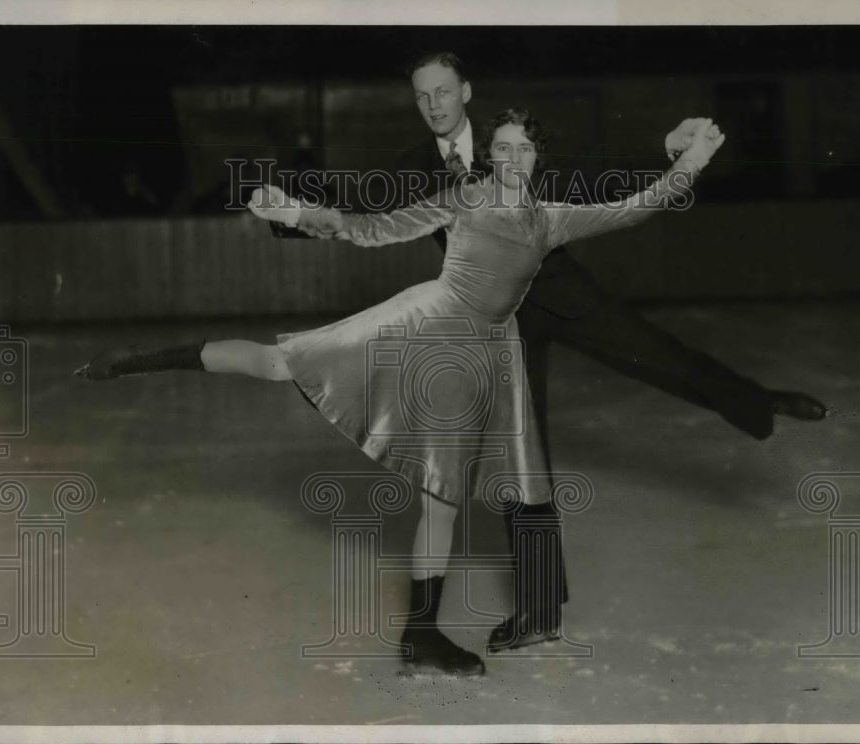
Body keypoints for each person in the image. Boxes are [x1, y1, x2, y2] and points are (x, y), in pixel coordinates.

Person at [74, 109, 725, 676]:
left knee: (445, 500)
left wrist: (691, 162)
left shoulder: (552, 220)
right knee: (280, 363)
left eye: (523, 148)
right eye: (501, 147)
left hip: (488, 356)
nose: (511, 158)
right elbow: (373, 228)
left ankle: (422, 634)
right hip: (428, 328)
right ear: (488, 156)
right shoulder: (462, 196)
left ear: (538, 157)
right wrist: (295, 211)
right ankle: (139, 361)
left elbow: (639, 204)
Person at [389, 52, 829, 653]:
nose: (433, 104)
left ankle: (758, 401)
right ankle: (539, 612)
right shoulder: (412, 168)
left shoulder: (508, 140)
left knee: (659, 352)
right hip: (501, 324)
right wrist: (283, 209)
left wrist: (665, 149)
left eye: (442, 91)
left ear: (464, 91)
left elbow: (594, 174)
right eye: (422, 96)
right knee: (524, 466)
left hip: (565, 294)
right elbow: (357, 206)